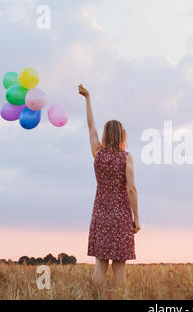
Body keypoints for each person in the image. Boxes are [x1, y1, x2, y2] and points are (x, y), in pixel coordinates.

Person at [78, 84, 141, 295]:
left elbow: (90, 125)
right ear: (123, 135)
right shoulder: (127, 158)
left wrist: (88, 99)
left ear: (106, 134)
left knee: (100, 264)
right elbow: (131, 189)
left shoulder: (98, 153)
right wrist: (137, 218)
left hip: (101, 214)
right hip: (121, 215)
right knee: (119, 267)